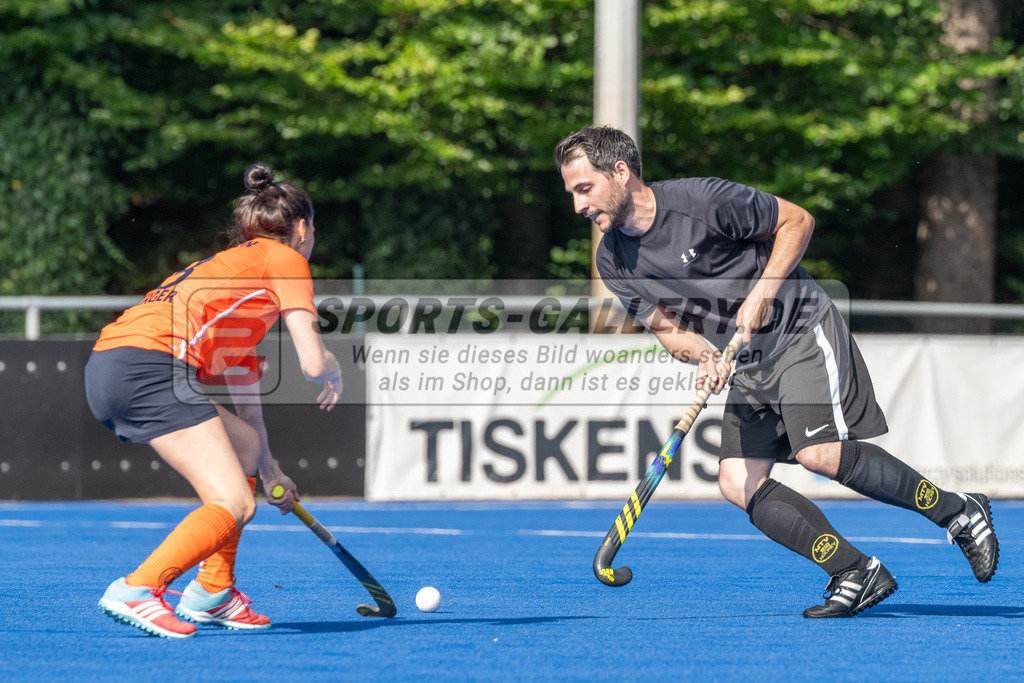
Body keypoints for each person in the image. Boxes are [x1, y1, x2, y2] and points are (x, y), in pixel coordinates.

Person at [554, 126, 998, 618]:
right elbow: (667, 329)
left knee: (819, 454)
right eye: (572, 193)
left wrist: (763, 291)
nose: (577, 205)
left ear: (620, 172)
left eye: (584, 188)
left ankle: (958, 511)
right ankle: (854, 571)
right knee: (736, 478)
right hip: (746, 361)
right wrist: (703, 356)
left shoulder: (702, 200)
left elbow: (797, 222)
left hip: (798, 329)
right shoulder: (612, 259)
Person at [85, 162, 342, 638]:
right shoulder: (285, 260)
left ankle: (213, 591)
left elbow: (248, 417)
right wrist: (334, 367)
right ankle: (138, 589)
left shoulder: (237, 287)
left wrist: (271, 471)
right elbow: (313, 363)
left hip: (112, 366)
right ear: (303, 228)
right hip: (149, 367)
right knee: (233, 502)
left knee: (243, 449)